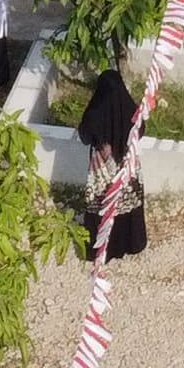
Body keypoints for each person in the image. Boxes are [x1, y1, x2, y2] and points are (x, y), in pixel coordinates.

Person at [74, 72, 148, 260]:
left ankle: (102, 250)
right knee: (127, 204)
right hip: (127, 165)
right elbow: (140, 128)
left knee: (102, 205)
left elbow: (85, 134)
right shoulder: (129, 107)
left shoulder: (96, 110)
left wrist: (101, 143)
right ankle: (130, 243)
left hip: (102, 169)